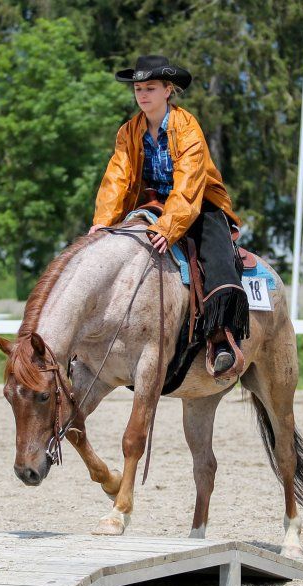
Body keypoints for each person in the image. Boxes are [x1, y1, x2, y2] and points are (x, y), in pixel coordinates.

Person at [90, 54, 249, 377]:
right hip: (151, 203)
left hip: (198, 201)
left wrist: (169, 226)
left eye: (150, 87)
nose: (142, 94)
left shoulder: (187, 128)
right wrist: (103, 222)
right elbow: (117, 178)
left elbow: (190, 181)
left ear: (168, 90)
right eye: (138, 89)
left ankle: (221, 337)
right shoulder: (128, 132)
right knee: (105, 252)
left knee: (217, 255)